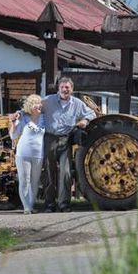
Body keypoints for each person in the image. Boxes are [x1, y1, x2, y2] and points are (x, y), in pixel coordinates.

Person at [41, 77, 96, 212]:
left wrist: (85, 120)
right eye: (62, 87)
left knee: (65, 174)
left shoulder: (77, 103)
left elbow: (92, 113)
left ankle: (64, 204)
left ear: (72, 89)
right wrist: (18, 115)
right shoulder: (47, 101)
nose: (65, 90)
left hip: (66, 140)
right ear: (58, 88)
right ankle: (49, 204)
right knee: (49, 172)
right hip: (50, 139)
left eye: (67, 87)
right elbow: (33, 109)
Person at [8, 94, 45, 214]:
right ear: (30, 106)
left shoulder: (44, 118)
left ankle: (31, 205)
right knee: (24, 181)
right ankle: (26, 207)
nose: (39, 105)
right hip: (23, 154)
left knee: (35, 181)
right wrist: (13, 122)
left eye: (40, 103)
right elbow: (13, 135)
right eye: (36, 103)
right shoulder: (23, 118)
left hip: (38, 155)